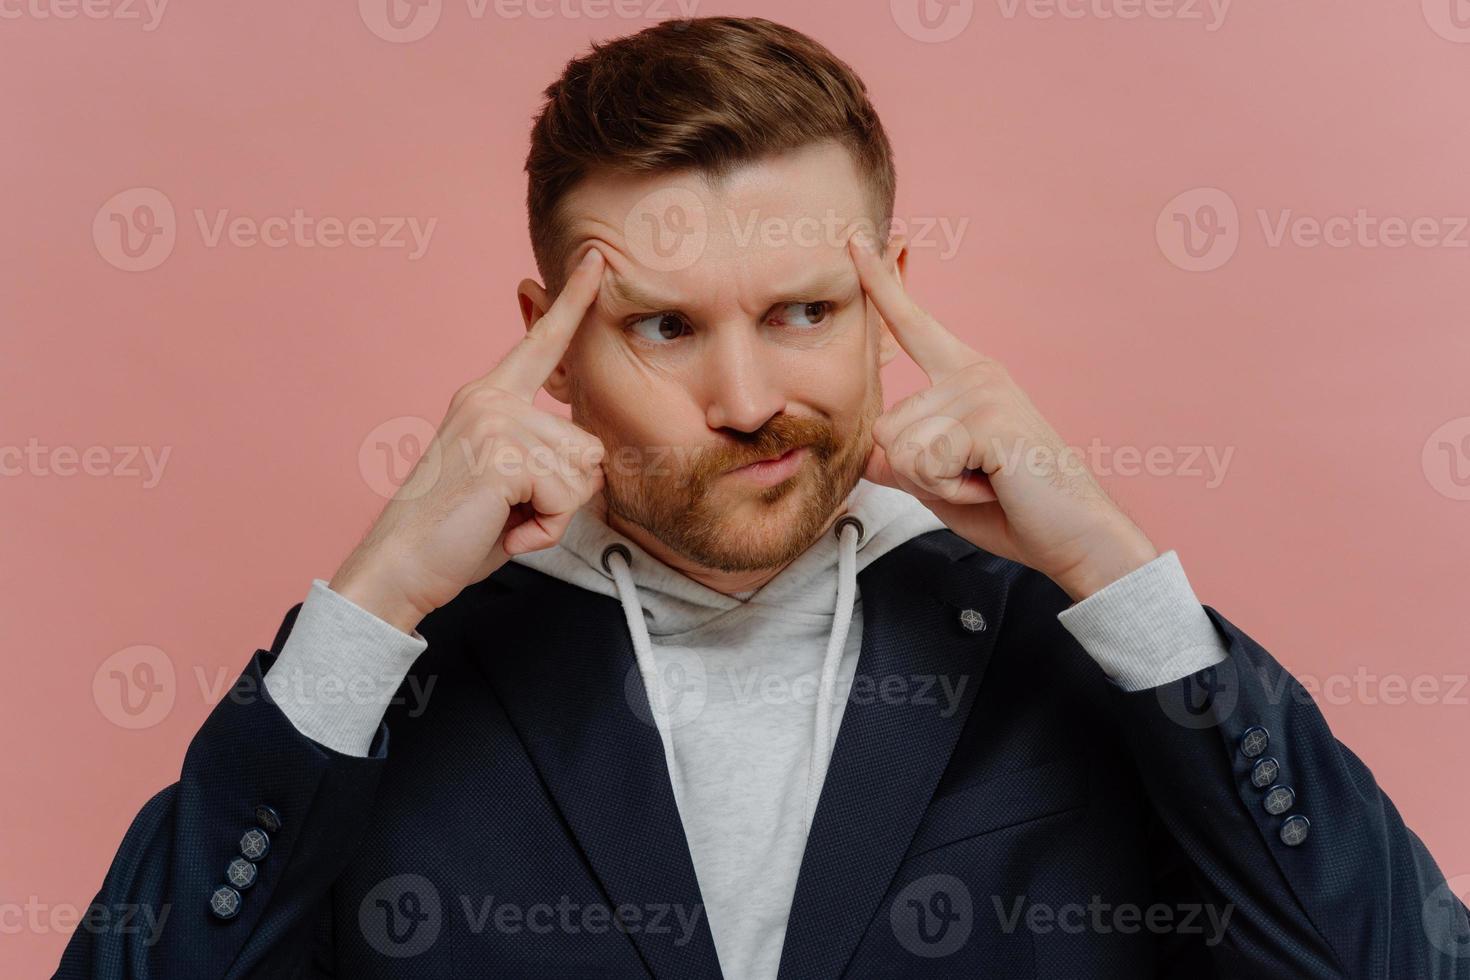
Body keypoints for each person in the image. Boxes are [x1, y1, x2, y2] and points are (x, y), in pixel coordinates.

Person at [56, 15, 1469, 979]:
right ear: (546, 338)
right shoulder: (396, 685)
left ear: (888, 299)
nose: (743, 399)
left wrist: (1111, 565)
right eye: (664, 328)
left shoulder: (1079, 648)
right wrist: (369, 606)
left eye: (802, 310)